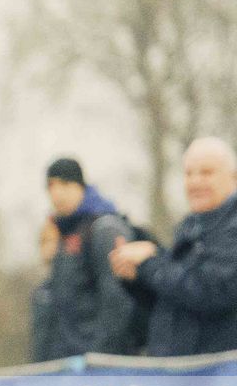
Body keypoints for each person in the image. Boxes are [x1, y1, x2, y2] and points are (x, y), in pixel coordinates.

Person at [110, 137, 237, 358]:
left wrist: (151, 262)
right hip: (177, 376)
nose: (195, 182)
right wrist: (136, 277)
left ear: (233, 177)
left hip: (216, 379)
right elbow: (173, 302)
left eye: (206, 173)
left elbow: (213, 293)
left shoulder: (231, 228)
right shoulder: (190, 227)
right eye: (188, 173)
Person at [31, 157, 141, 361]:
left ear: (81, 186)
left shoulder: (103, 228)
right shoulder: (62, 233)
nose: (57, 193)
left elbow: (117, 299)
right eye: (51, 186)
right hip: (69, 363)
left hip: (99, 365)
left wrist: (98, 357)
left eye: (64, 184)